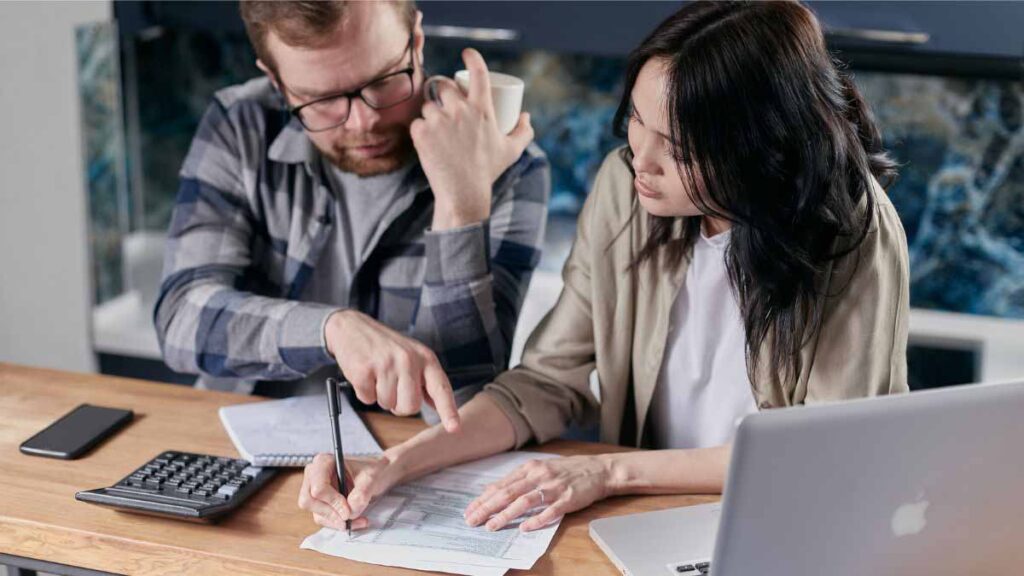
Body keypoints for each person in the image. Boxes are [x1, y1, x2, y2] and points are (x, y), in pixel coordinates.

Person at [298, 0, 910, 534]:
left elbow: (822, 454)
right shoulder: (625, 189)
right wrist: (395, 464)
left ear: (759, 148)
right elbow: (544, 383)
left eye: (677, 147)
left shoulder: (853, 230)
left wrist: (608, 469)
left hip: (784, 523)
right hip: (648, 520)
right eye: (638, 121)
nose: (639, 158)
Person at [154, 0, 550, 430]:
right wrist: (331, 330)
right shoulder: (241, 124)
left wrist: (460, 206)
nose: (364, 122)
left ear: (416, 42)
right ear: (277, 82)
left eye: (382, 81)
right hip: (239, 442)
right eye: (321, 99)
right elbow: (180, 319)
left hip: (405, 462)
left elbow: (462, 407)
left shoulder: (508, 164)